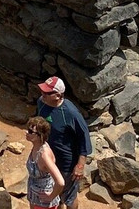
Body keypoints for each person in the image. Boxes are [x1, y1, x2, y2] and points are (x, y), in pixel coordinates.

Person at [36, 76, 92, 209]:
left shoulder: (71, 114)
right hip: (47, 157)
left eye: (47, 92)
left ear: (58, 95)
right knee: (52, 189)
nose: (42, 94)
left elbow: (84, 138)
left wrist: (80, 165)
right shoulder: (41, 102)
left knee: (68, 196)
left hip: (66, 162)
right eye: (42, 91)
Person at [26, 116, 65, 209]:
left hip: (44, 202)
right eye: (28, 129)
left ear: (40, 136)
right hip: (34, 196)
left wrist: (51, 196)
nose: (27, 132)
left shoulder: (44, 155)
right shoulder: (36, 146)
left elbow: (60, 182)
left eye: (31, 131)